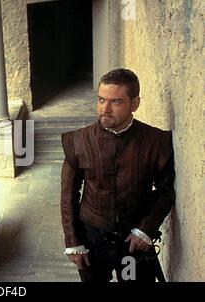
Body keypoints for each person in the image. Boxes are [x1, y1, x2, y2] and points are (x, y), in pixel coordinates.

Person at [60, 68, 176, 282]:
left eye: (116, 102)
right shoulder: (77, 141)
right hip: (91, 240)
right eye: (101, 100)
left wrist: (146, 230)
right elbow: (68, 197)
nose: (105, 109)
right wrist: (73, 242)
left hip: (133, 243)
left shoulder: (156, 142)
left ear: (135, 104)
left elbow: (166, 192)